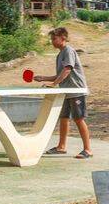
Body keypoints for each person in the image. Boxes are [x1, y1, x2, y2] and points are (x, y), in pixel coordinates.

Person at [35, 26, 93, 159]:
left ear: (63, 38)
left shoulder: (68, 51)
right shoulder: (60, 54)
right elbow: (60, 74)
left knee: (79, 119)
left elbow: (67, 70)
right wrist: (43, 78)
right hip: (66, 91)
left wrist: (54, 84)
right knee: (64, 118)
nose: (52, 41)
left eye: (54, 38)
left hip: (76, 90)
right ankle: (61, 147)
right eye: (51, 39)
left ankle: (88, 149)